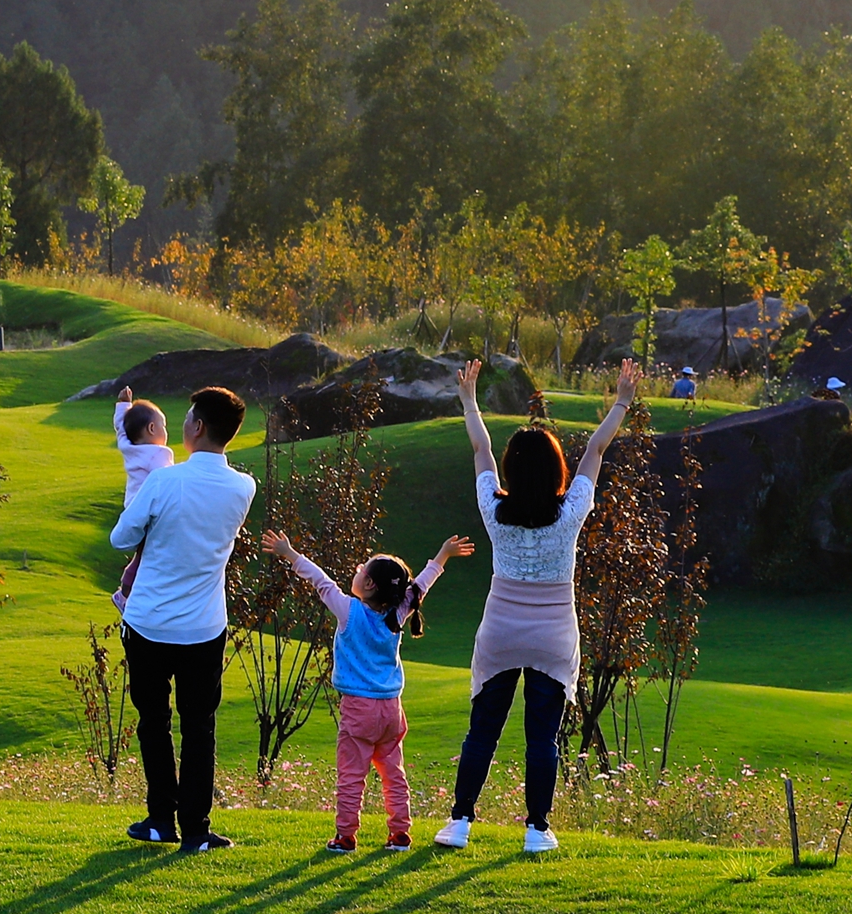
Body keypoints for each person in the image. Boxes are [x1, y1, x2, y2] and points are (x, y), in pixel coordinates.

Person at [435, 356, 642, 854]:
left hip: (501, 631)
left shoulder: (494, 510)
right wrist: (621, 402)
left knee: (483, 731)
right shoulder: (570, 513)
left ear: (512, 469)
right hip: (553, 635)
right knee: (541, 738)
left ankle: (460, 822)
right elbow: (595, 448)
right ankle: (536, 829)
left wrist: (468, 400)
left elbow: (481, 446)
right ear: (555, 470)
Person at [107, 383, 256, 853]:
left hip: (149, 623)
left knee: (154, 723)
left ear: (197, 427)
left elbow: (121, 537)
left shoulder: (164, 481)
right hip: (205, 627)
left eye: (188, 416)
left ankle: (159, 820)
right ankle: (195, 827)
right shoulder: (243, 487)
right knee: (199, 727)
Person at [264, 526, 476, 853]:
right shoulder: (398, 612)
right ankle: (400, 834)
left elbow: (320, 581)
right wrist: (443, 554)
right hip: (392, 709)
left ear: (369, 584)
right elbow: (421, 584)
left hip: (358, 710)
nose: (358, 570)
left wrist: (290, 553)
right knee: (394, 775)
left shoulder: (349, 611)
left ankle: (346, 836)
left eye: (363, 568)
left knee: (351, 776)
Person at [108, 384, 173, 614]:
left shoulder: (129, 446)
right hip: (148, 513)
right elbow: (168, 480)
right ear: (153, 428)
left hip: (132, 506)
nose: (166, 432)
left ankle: (127, 593)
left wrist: (123, 404)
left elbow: (120, 428)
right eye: (163, 427)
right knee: (144, 558)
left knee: (142, 555)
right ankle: (124, 595)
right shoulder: (157, 454)